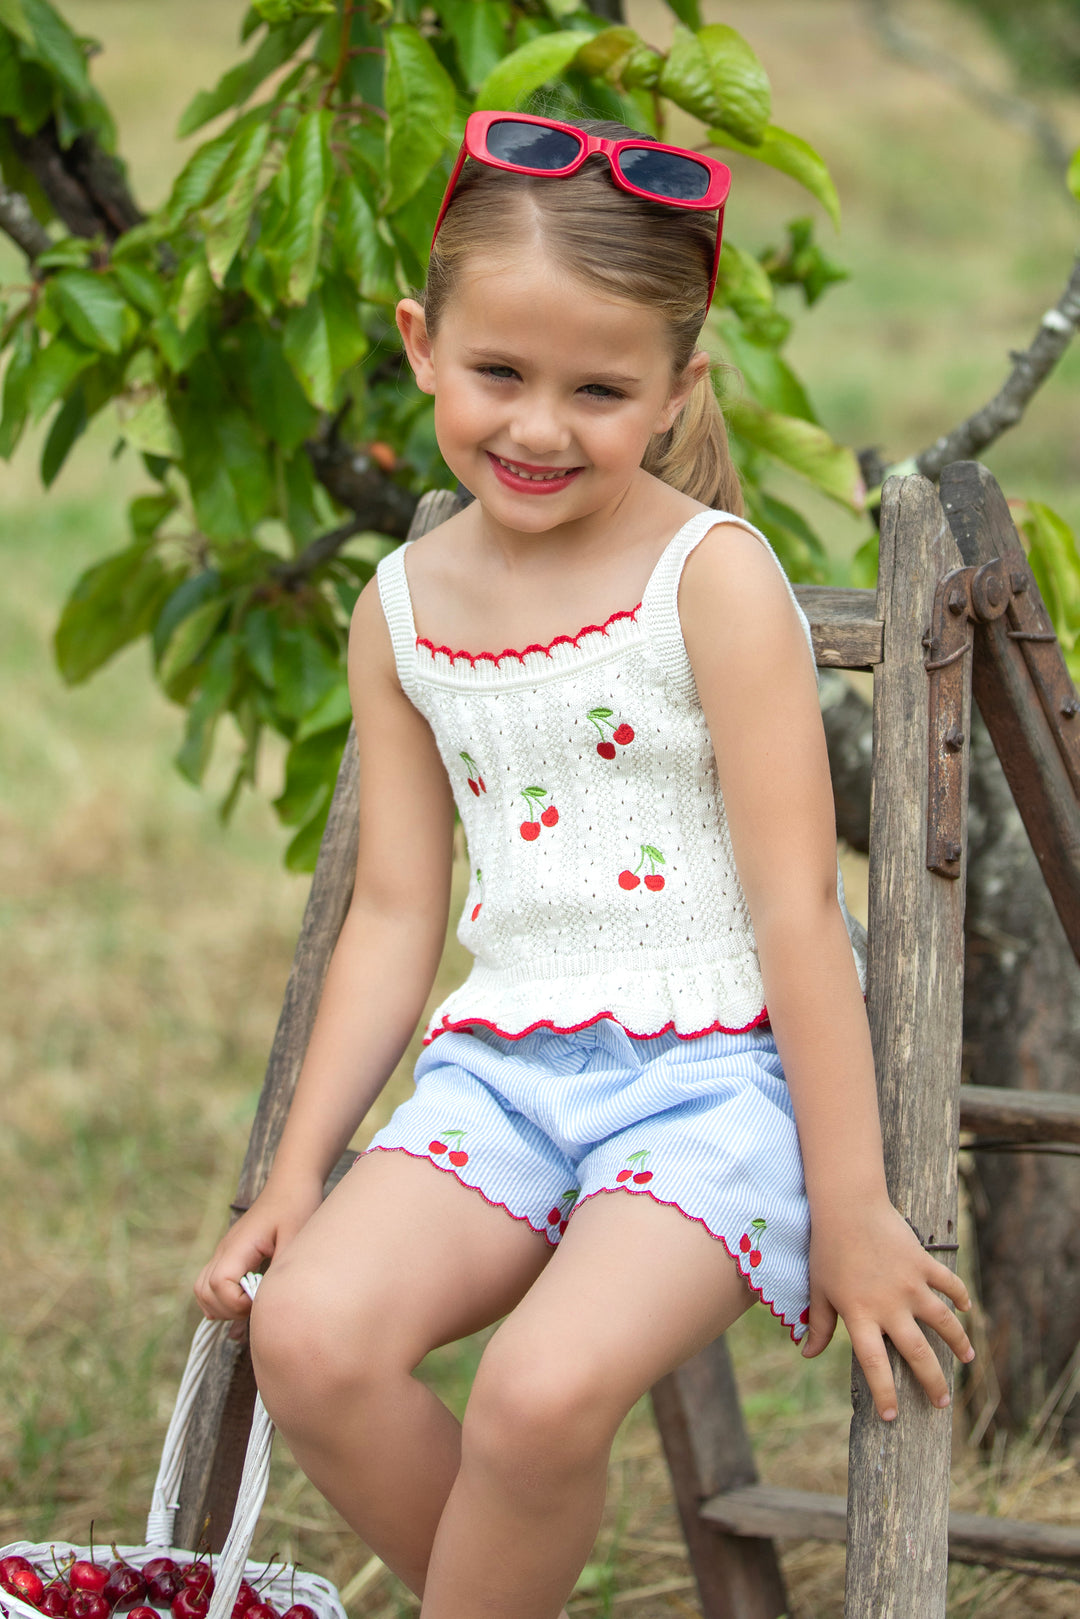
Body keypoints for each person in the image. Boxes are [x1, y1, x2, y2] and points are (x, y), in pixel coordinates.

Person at [195, 113, 974, 1619]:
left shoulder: (712, 579)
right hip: (507, 1067)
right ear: (421, 345)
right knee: (310, 1338)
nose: (540, 429)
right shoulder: (404, 605)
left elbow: (796, 906)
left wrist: (857, 1203)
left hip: (726, 1074)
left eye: (600, 391)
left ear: (678, 389)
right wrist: (300, 1173)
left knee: (538, 1397)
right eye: (499, 375)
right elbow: (398, 914)